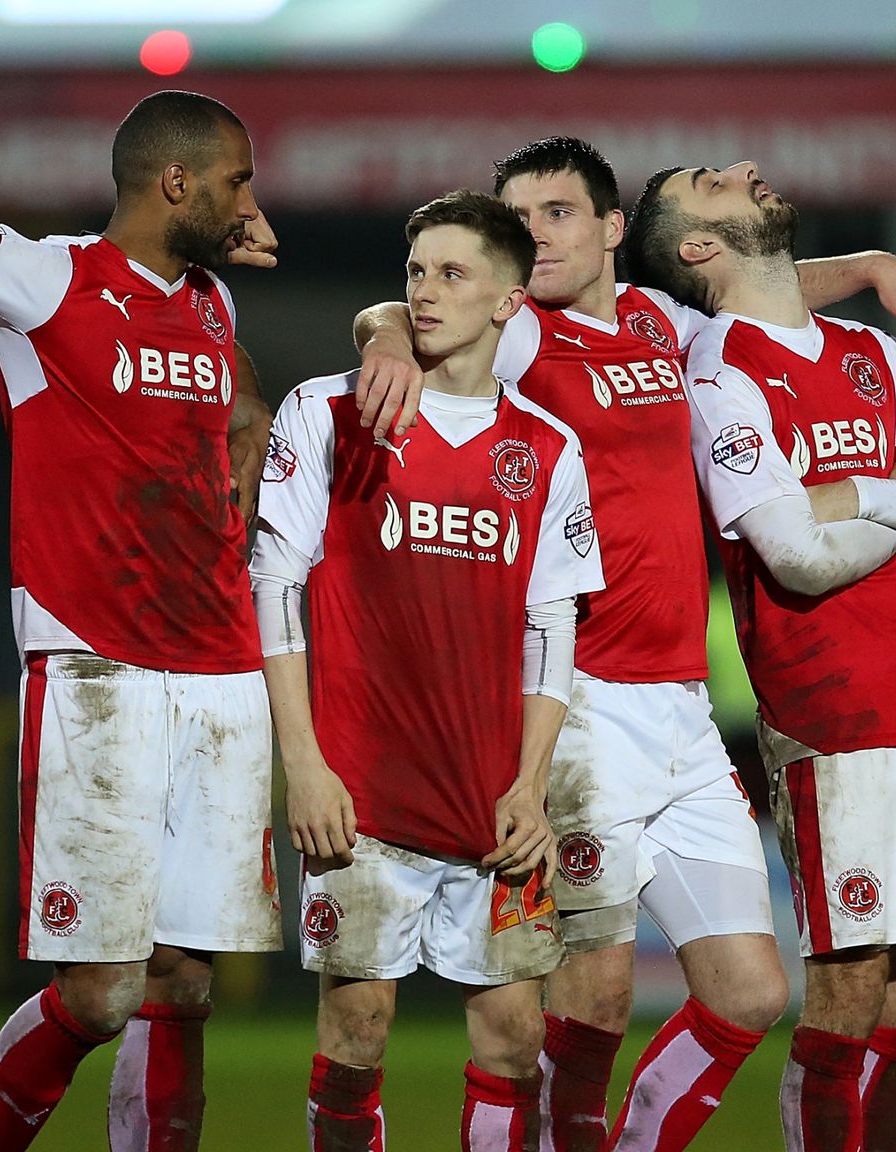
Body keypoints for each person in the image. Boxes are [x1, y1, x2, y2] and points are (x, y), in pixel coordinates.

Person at [0, 88, 416, 1151]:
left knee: (185, 986)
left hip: (219, 672)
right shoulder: (43, 276)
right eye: (237, 180)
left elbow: (225, 360)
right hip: (94, 668)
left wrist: (252, 397)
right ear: (178, 183)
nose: (252, 201)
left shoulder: (207, 299)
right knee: (104, 989)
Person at [350, 137, 896, 1152]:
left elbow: (750, 281)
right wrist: (382, 334)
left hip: (678, 710)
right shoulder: (517, 337)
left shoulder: (661, 324)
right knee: (588, 994)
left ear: (608, 232)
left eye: (552, 214)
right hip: (576, 700)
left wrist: (858, 269)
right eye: (513, 220)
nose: (529, 236)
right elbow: (407, 316)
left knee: (748, 993)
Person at [627, 160, 896, 1152]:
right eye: (716, 180)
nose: (747, 169)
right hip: (832, 712)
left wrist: (859, 495)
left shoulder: (865, 348)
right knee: (845, 992)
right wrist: (895, 491)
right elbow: (793, 556)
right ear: (699, 247)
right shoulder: (718, 368)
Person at [256, 189, 603, 1152]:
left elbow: (550, 630)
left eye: (454, 274)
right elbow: (276, 591)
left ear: (509, 302)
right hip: (361, 793)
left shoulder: (546, 448)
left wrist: (532, 787)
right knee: (356, 1029)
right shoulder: (327, 410)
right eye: (416, 271)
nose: (425, 293)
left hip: (494, 797)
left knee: (512, 1036)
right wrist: (307, 763)